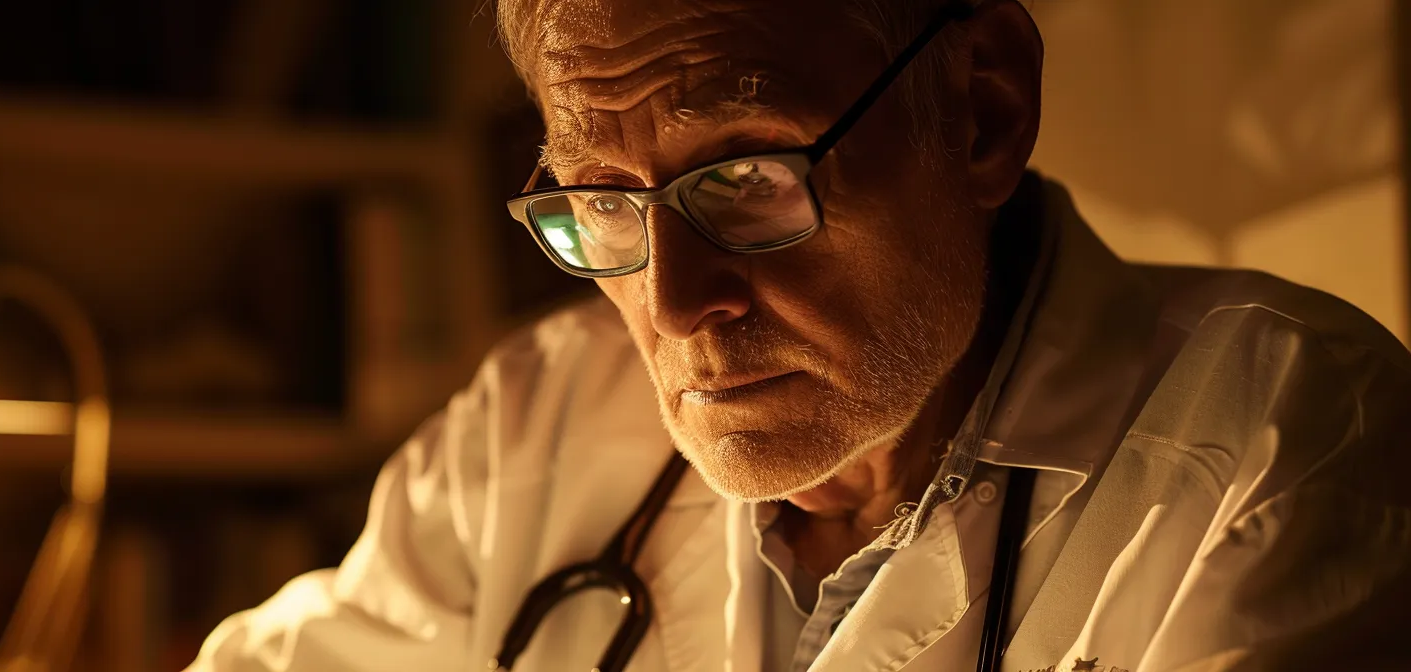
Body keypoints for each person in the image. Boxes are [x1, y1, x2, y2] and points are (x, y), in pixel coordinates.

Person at [185, 0, 1411, 670]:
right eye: (601, 201)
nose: (671, 306)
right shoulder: (535, 421)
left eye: (746, 178)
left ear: (981, 110)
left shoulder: (1285, 434)